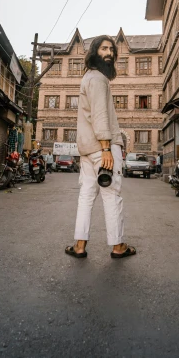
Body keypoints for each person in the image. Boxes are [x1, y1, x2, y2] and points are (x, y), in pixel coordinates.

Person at [65, 35, 136, 260]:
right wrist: (106, 148)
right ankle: (118, 246)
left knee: (86, 196)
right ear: (95, 52)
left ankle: (79, 246)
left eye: (112, 50)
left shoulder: (88, 78)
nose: (110, 53)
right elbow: (99, 115)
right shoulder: (97, 79)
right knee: (111, 195)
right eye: (104, 48)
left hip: (88, 150)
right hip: (102, 148)